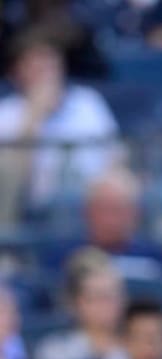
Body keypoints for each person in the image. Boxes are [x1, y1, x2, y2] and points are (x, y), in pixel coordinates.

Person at [0, 27, 121, 220]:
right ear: (17, 73)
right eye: (38, 67)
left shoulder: (87, 102)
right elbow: (11, 187)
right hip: (36, 211)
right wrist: (33, 116)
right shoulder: (6, 113)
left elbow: (116, 157)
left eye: (52, 65)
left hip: (94, 204)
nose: (48, 76)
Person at [34, 247, 126, 359]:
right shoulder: (56, 352)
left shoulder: (137, 351)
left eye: (114, 295)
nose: (109, 304)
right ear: (76, 302)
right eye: (99, 296)